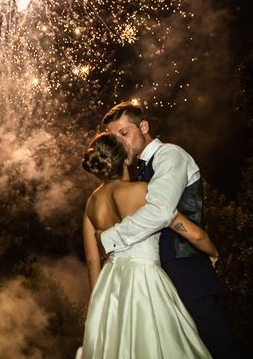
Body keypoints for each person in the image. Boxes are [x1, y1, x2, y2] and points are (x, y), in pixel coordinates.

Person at [98, 102, 239, 358]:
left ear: (144, 127)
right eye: (113, 137)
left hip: (187, 270)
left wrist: (109, 239)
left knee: (216, 347)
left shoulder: (169, 155)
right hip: (161, 274)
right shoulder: (138, 174)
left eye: (124, 133)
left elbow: (161, 212)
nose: (119, 142)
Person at [81, 133, 213, 358]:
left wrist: (98, 305)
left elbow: (93, 261)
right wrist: (212, 250)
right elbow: (189, 231)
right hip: (144, 280)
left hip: (109, 286)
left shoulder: (91, 204)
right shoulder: (141, 191)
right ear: (125, 160)